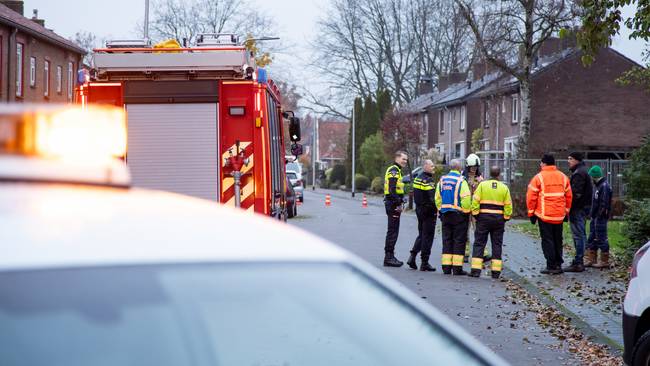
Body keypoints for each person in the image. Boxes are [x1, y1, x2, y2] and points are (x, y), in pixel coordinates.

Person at [526, 154, 573, 274]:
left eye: (541, 163)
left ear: (544, 163)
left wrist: (531, 214)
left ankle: (551, 265)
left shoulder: (539, 177)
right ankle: (558, 264)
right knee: (558, 239)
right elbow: (569, 197)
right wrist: (566, 212)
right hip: (559, 216)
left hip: (545, 215)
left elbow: (531, 197)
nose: (540, 165)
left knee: (547, 240)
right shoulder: (563, 177)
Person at [469, 166, 512, 279]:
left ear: (489, 174)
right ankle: (496, 272)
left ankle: (476, 271)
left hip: (483, 218)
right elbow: (508, 206)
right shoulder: (504, 188)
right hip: (498, 220)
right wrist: (505, 218)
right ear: (499, 175)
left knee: (479, 243)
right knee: (496, 245)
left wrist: (476, 214)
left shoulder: (482, 185)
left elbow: (475, 201)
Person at [435, 159, 472, 275]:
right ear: (459, 168)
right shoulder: (461, 181)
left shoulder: (442, 180)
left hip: (445, 215)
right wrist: (466, 212)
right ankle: (457, 269)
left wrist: (441, 210)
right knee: (458, 241)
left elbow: (437, 198)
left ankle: (446, 267)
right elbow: (466, 199)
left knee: (447, 240)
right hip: (459, 216)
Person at [563, 152, 593, 272]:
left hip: (577, 209)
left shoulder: (578, 173)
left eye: (570, 159)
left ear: (577, 160)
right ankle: (581, 259)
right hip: (583, 208)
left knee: (578, 235)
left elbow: (576, 194)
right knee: (581, 234)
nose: (568, 161)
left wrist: (569, 207)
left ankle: (578, 262)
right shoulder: (583, 171)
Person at [407, 160, 437, 271]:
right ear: (425, 167)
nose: (433, 167)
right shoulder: (428, 180)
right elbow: (432, 198)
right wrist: (436, 209)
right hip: (428, 212)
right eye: (431, 165)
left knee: (421, 235)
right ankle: (424, 262)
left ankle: (412, 256)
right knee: (428, 237)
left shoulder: (417, 178)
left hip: (419, 210)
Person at [383, 151, 408, 267]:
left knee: (393, 231)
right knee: (392, 231)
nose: (405, 161)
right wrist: (399, 201)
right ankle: (388, 257)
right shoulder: (394, 170)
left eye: (406, 159)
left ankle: (390, 256)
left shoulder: (397, 170)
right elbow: (392, 189)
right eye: (403, 159)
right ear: (397, 158)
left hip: (393, 204)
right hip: (392, 204)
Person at [586, 165, 613, 268]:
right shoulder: (597, 185)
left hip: (600, 217)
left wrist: (599, 215)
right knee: (592, 237)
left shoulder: (604, 186)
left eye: (591, 176)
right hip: (595, 216)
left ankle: (604, 261)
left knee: (601, 237)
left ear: (594, 176)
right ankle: (591, 259)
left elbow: (604, 203)